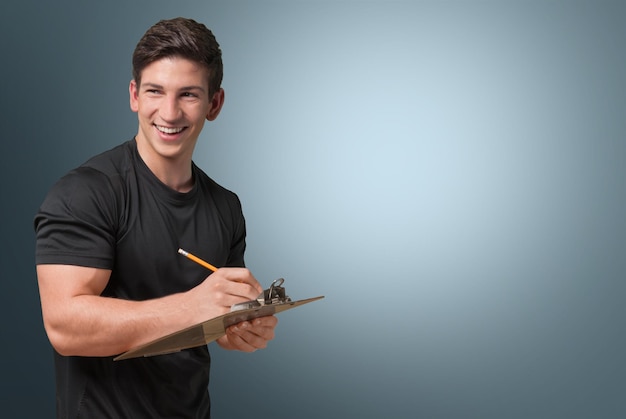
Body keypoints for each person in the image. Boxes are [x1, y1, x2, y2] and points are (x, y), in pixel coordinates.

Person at [34, 17, 278, 418]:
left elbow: (215, 323)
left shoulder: (226, 207)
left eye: (188, 94)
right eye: (155, 91)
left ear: (214, 104)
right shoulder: (86, 192)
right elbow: (64, 325)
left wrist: (243, 327)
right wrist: (193, 306)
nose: (169, 111)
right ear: (134, 95)